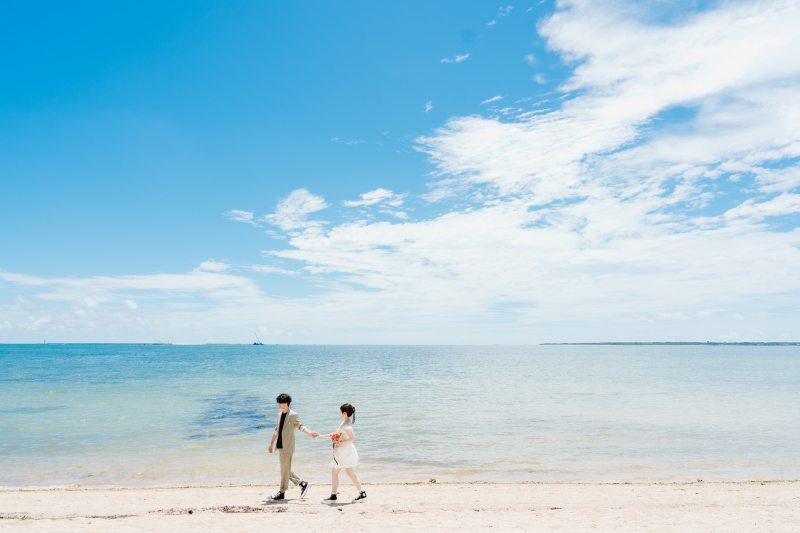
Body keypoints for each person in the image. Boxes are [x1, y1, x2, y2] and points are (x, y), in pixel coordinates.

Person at [267, 393, 319, 501]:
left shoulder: (293, 415)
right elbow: (276, 430)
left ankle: (281, 493)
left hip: (288, 446)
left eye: (280, 403)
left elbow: (300, 426)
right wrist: (271, 443)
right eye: (278, 402)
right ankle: (302, 483)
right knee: (284, 469)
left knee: (284, 469)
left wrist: (310, 433)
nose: (279, 404)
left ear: (286, 403)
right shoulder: (279, 415)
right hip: (280, 446)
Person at [316, 403, 366, 504]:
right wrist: (320, 436)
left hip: (344, 452)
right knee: (349, 473)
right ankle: (362, 494)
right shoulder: (345, 422)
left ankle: (334, 496)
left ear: (344, 413)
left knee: (335, 473)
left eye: (340, 411)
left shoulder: (347, 425)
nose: (339, 413)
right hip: (345, 451)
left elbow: (353, 438)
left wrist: (340, 443)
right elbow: (335, 434)